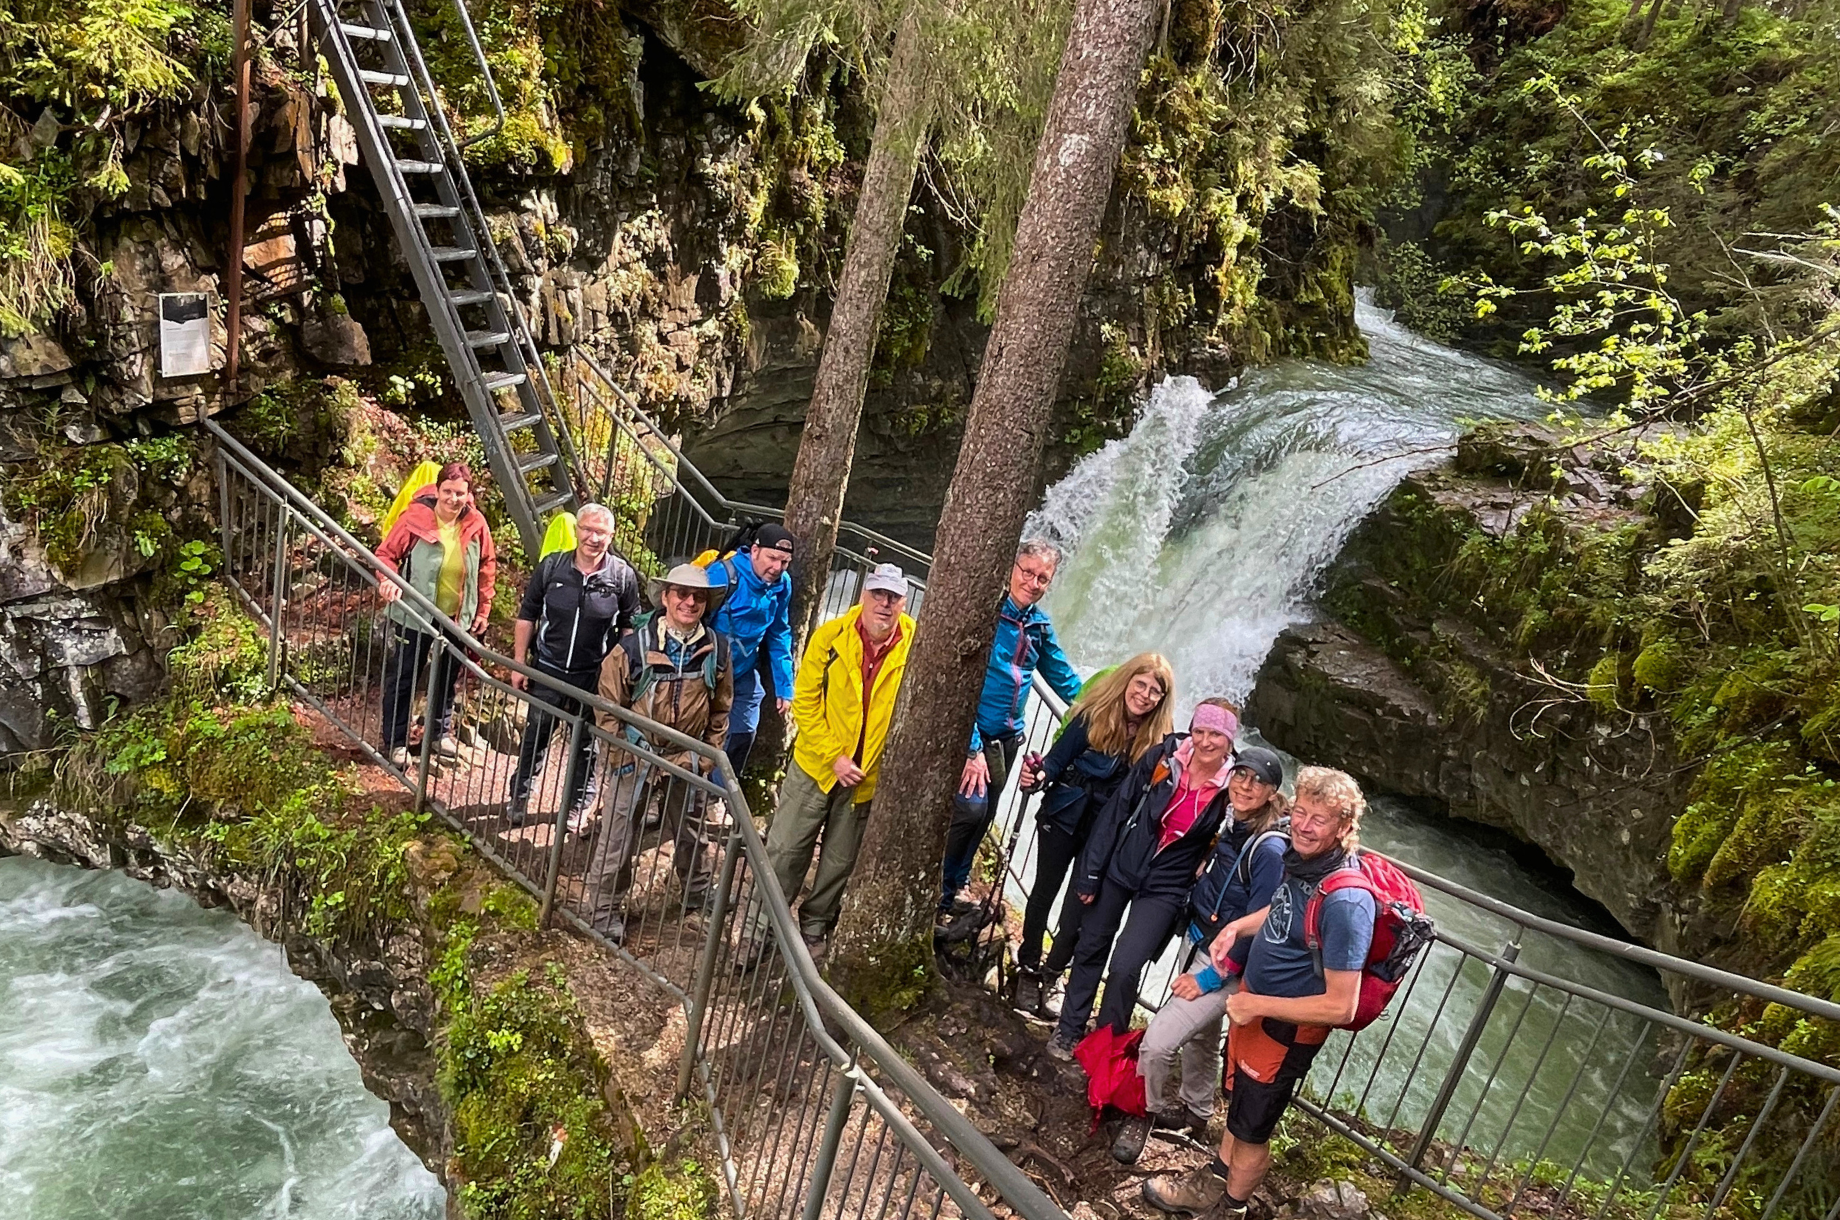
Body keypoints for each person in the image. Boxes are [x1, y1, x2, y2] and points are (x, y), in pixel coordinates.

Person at [1142, 767, 1372, 1218]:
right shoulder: (1306, 864)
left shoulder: (1347, 903)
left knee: (1251, 1131)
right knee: (1239, 1111)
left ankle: (1230, 1209)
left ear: (1344, 828)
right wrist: (1238, 926)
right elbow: (1283, 909)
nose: (1303, 826)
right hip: (1256, 1016)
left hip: (1283, 1032)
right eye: (1300, 812)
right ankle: (1210, 1185)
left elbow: (1342, 1005)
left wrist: (1254, 1004)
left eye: (1319, 819)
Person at [1111, 745, 1288, 1164]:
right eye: (1241, 775)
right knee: (1203, 1039)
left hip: (1220, 964)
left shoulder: (1269, 850)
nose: (1245, 785)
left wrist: (1208, 979)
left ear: (1271, 792)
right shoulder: (1236, 824)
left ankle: (1144, 1113)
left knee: (1157, 1044)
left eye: (1257, 780)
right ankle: (1196, 1111)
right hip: (1199, 940)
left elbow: (1259, 926)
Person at [1048, 698, 1242, 1061]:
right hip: (1121, 866)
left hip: (1166, 886)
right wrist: (1090, 873)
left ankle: (1106, 1047)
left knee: (1125, 965)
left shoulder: (1234, 787)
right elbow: (1116, 812)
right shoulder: (1163, 759)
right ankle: (1069, 1030)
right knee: (1091, 945)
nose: (1204, 742)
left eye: (1215, 734)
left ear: (1229, 739)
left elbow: (1243, 832)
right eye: (1199, 731)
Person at [759, 564, 916, 956]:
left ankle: (814, 926)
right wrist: (835, 757)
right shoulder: (830, 638)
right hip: (816, 766)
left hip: (866, 778)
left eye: (893, 597)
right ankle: (760, 925)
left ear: (904, 602)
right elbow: (806, 704)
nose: (885, 604)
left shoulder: (915, 645)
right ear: (864, 595)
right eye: (878, 594)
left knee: (838, 861)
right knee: (786, 849)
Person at [1012, 653, 1176, 1015]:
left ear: (1162, 700)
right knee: (1044, 892)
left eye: (1155, 691)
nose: (1145, 695)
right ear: (1127, 682)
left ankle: (1053, 973)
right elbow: (1056, 760)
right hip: (1065, 813)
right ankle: (1027, 967)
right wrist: (1038, 777)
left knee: (1077, 909)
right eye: (1141, 684)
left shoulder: (1159, 743)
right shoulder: (1093, 715)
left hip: (1105, 835)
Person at [581, 563, 733, 943]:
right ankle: (601, 913)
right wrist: (620, 755)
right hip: (635, 753)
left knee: (692, 830)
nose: (689, 602)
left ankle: (697, 892)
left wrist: (709, 753)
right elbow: (608, 705)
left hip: (689, 756)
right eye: (681, 593)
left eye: (698, 596)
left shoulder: (717, 649)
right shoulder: (633, 647)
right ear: (665, 598)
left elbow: (721, 708)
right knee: (619, 835)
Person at [939, 539, 1084, 919]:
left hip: (1007, 739)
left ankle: (957, 883)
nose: (1033, 582)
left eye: (1042, 578)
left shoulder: (1038, 625)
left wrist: (1101, 706)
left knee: (985, 815)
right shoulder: (987, 613)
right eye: (1027, 572)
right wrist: (970, 748)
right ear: (1011, 569)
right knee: (970, 810)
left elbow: (1062, 677)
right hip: (976, 732)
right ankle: (938, 888)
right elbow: (957, 684)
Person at [504, 504, 641, 828]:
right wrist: (519, 663)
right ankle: (519, 797)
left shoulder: (621, 577)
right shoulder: (552, 568)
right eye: (588, 530)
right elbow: (527, 615)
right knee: (535, 736)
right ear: (577, 529)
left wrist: (620, 671)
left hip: (592, 676)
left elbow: (629, 626)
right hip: (548, 669)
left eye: (601, 533)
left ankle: (579, 805)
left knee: (587, 745)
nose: (593, 538)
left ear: (611, 536)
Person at [376, 462, 496, 768]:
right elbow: (386, 554)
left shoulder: (476, 523)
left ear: (468, 495)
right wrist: (388, 580)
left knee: (447, 676)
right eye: (448, 492)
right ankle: (396, 740)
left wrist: (483, 608)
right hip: (415, 613)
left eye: (460, 493)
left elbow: (486, 565)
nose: (453, 499)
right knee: (404, 675)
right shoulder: (415, 517)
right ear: (437, 490)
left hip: (458, 616)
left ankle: (439, 733)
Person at [703, 523, 796, 774]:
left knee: (742, 735)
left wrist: (785, 686)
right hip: (707, 671)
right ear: (754, 551)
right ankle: (685, 796)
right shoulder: (722, 575)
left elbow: (779, 632)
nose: (777, 568)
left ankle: (720, 795)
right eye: (772, 558)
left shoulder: (782, 585)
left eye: (784, 562)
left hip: (743, 672)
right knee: (700, 733)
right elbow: (695, 619)